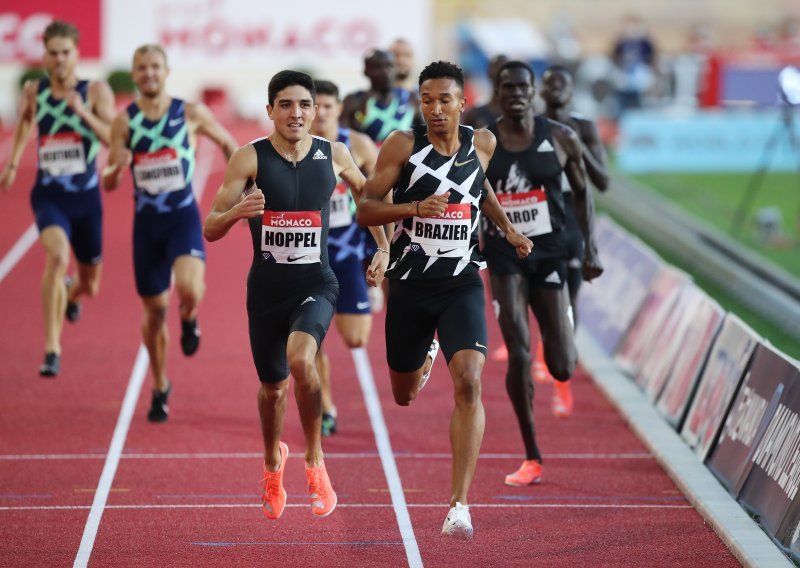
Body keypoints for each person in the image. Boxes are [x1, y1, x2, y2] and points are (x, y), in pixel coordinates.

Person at [356, 61, 532, 541]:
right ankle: (427, 352)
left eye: (444, 100)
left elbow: (482, 189)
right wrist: (413, 207)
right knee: (403, 394)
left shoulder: (484, 143)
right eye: (427, 100)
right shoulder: (403, 145)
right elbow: (364, 209)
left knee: (470, 383)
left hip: (462, 283)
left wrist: (508, 228)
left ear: (462, 102)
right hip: (410, 286)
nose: (435, 108)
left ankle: (459, 505)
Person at [203, 70, 389, 521]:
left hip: (316, 283)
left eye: (304, 104)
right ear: (270, 110)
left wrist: (383, 247)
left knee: (302, 359)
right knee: (273, 388)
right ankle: (272, 462)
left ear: (315, 110)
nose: (297, 113)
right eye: (286, 105)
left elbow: (369, 201)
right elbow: (209, 226)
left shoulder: (336, 153)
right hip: (266, 290)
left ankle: (315, 460)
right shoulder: (247, 159)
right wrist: (236, 212)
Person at [481, 60, 603, 487]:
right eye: (507, 87)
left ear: (532, 91)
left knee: (563, 364)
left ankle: (558, 345)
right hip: (504, 255)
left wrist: (590, 246)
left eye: (522, 87)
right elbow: (467, 191)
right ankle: (531, 453)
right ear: (498, 92)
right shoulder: (484, 142)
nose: (515, 93)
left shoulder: (563, 137)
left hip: (549, 254)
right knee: (516, 345)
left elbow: (585, 193)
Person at [102, 44, 237, 422]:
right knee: (155, 312)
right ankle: (160, 385)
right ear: (134, 71)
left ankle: (191, 317)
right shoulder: (123, 122)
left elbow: (228, 144)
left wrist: (239, 188)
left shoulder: (190, 113)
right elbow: (110, 180)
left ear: (166, 70)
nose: (149, 73)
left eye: (155, 66)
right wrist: (117, 168)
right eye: (142, 67)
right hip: (147, 227)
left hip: (182, 218)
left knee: (191, 289)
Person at [0, 20, 115, 377]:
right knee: (57, 255)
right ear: (45, 56)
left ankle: (72, 293)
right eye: (53, 53)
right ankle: (52, 348)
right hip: (49, 195)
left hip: (86, 198)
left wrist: (81, 112)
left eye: (66, 53)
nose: (59, 60)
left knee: (89, 283)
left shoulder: (95, 91)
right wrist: (14, 162)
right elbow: (23, 125)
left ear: (76, 54)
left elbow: (113, 137)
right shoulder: (34, 91)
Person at [309, 79, 385, 436]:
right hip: (309, 255)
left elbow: (378, 193)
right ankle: (326, 408)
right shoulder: (294, 144)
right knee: (311, 338)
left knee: (355, 339)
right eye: (315, 106)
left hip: (350, 250)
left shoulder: (358, 145)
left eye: (328, 106)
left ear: (340, 108)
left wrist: (378, 250)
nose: (320, 112)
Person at [534, 65, 611, 417]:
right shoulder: (530, 125)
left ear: (570, 91)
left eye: (561, 84)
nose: (555, 90)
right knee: (542, 293)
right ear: (541, 91)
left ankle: (561, 372)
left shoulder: (583, 127)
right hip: (539, 218)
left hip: (572, 218)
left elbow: (602, 182)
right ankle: (545, 351)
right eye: (549, 84)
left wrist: (576, 147)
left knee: (571, 293)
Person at [341, 49, 421, 144]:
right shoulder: (354, 100)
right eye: (378, 67)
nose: (386, 72)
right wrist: (361, 115)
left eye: (390, 66)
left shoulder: (411, 99)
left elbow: (425, 136)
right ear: (366, 71)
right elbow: (342, 138)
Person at [462, 54, 509, 129]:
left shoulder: (521, 115)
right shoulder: (474, 114)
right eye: (496, 68)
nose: (500, 74)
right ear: (489, 74)